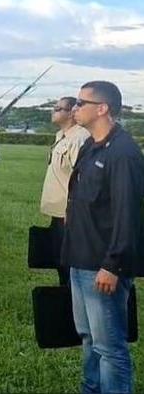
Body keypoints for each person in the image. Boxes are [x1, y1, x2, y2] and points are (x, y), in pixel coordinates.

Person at [63, 81, 144, 394]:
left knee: (110, 347)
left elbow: (129, 214)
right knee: (89, 338)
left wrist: (113, 264)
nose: (75, 109)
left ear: (102, 108)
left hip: (103, 265)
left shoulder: (123, 153)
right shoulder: (90, 145)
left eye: (81, 103)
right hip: (81, 260)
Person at [40, 97, 90, 286]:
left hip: (69, 213)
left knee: (70, 264)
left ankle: (71, 302)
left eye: (58, 109)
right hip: (57, 211)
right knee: (59, 260)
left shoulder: (79, 138)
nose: (53, 111)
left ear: (71, 113)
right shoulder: (60, 136)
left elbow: (81, 177)